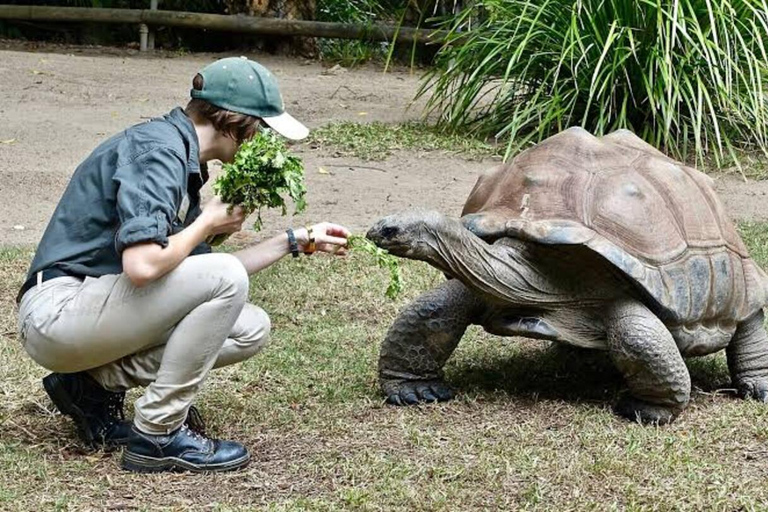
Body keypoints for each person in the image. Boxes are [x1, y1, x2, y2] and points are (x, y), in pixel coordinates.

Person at [15, 56, 350, 473]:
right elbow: (142, 266)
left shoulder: (183, 159)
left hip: (89, 313)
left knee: (249, 327)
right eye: (263, 129)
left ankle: (90, 384)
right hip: (58, 312)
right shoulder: (159, 152)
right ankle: (158, 434)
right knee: (225, 277)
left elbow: (201, 276)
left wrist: (294, 241)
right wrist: (206, 222)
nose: (265, 141)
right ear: (236, 121)